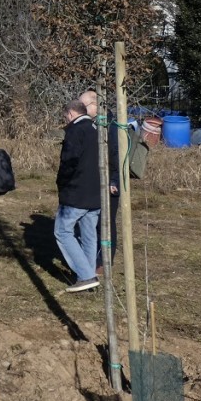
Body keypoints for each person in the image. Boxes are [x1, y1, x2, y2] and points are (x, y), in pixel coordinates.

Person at [54, 99, 101, 292]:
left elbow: (69, 162)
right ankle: (89, 277)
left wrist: (61, 183)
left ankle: (86, 275)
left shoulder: (74, 131)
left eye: (66, 116)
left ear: (71, 114)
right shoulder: (97, 130)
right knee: (89, 235)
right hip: (95, 193)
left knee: (63, 231)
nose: (65, 119)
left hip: (76, 192)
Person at [79, 89, 120, 276]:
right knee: (93, 222)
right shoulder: (94, 125)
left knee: (106, 222)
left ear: (95, 106)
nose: (80, 109)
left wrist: (113, 181)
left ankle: (105, 261)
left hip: (110, 183)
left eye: (83, 106)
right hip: (95, 181)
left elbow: (117, 156)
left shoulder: (111, 127)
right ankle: (94, 258)